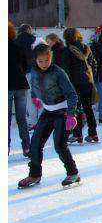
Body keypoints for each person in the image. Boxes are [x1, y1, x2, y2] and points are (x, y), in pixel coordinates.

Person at [17, 43, 81, 189]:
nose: (44, 64)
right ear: (35, 60)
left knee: (59, 144)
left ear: (51, 58)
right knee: (35, 144)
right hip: (47, 111)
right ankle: (34, 174)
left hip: (62, 111)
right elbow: (34, 85)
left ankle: (73, 173)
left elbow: (72, 95)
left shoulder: (58, 72)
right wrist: (34, 97)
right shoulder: (34, 71)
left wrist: (71, 115)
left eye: (47, 60)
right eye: (40, 61)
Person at [61, 28, 99, 144]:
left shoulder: (67, 51)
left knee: (76, 108)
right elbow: (94, 64)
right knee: (88, 109)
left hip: (75, 83)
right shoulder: (87, 48)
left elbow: (65, 69)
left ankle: (77, 135)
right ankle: (93, 133)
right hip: (88, 81)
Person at [9, 21, 31, 157]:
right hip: (21, 84)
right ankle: (27, 147)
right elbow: (25, 65)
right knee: (21, 118)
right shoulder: (17, 45)